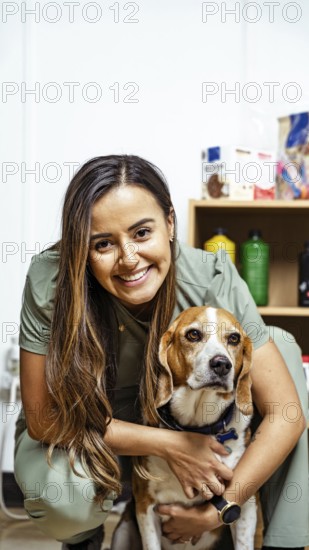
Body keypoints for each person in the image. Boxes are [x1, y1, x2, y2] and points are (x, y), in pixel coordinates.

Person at [14, 155, 308, 550]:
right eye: (103, 243)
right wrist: (169, 445)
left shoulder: (212, 277)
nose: (129, 258)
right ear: (80, 248)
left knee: (281, 345)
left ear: (170, 222)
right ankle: (83, 537)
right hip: (88, 429)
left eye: (141, 233)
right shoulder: (51, 279)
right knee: (62, 498)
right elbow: (44, 418)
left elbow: (286, 416)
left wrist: (219, 509)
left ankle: (283, 541)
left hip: (194, 424)